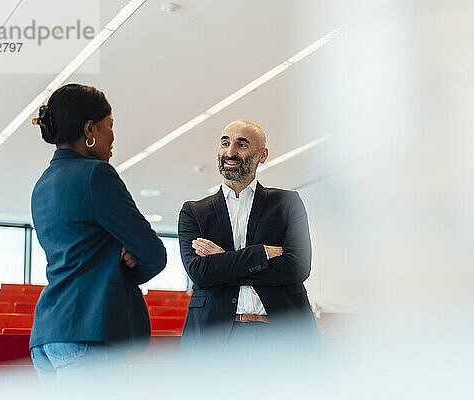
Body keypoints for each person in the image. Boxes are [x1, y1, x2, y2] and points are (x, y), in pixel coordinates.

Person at [29, 83, 167, 385]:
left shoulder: (42, 184)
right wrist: (125, 261)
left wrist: (111, 255)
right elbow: (154, 253)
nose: (113, 136)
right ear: (90, 128)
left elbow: (81, 248)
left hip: (47, 335)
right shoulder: (96, 174)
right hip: (87, 332)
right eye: (110, 126)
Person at [178, 120, 319, 353]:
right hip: (215, 339)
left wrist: (224, 261)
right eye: (225, 143)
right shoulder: (194, 212)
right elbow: (200, 273)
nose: (230, 152)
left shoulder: (287, 203)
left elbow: (297, 267)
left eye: (241, 145)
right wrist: (261, 254)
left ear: (262, 155)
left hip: (282, 336)